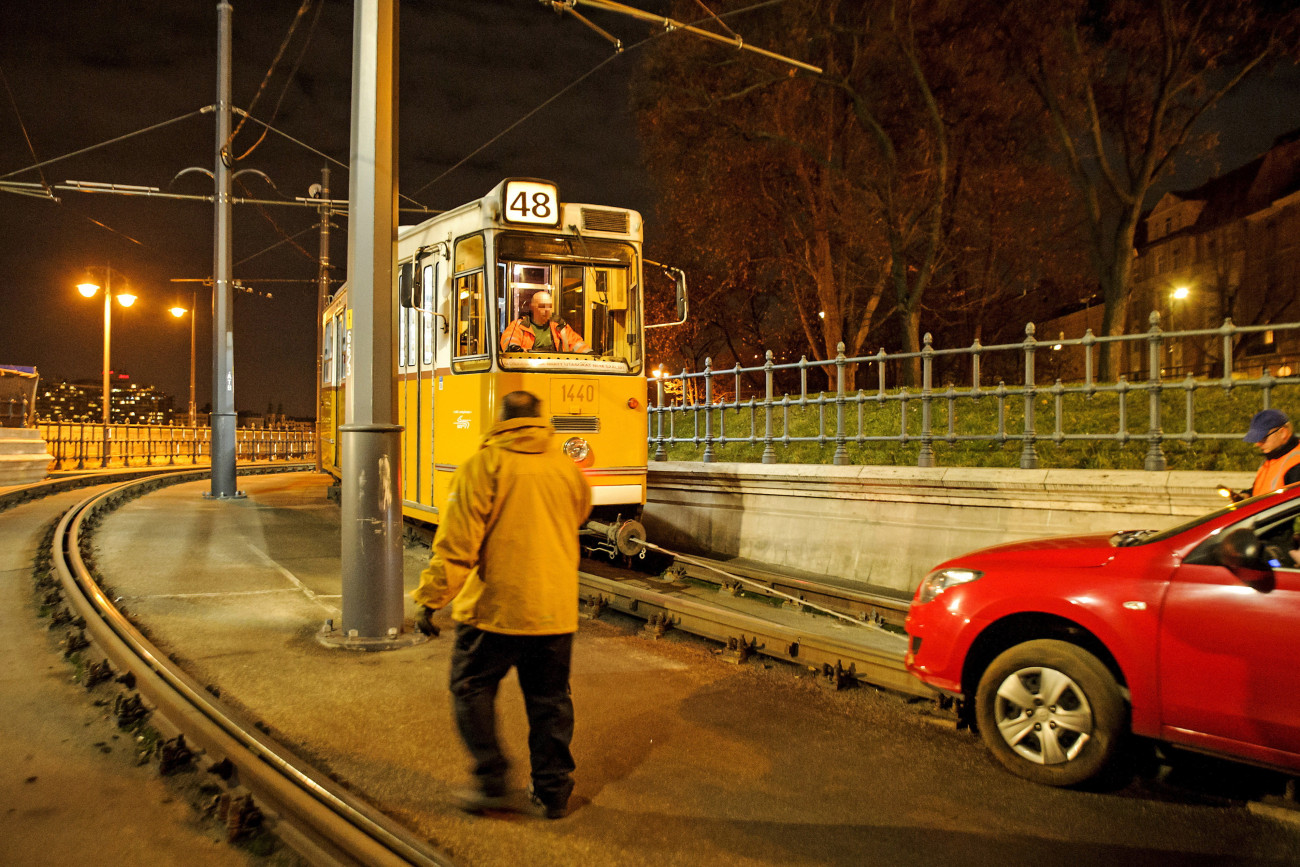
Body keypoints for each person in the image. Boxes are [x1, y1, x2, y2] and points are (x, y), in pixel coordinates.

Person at [412, 390, 592, 819]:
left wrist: (430, 598)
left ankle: (493, 780)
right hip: (553, 612)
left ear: (501, 420)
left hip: (494, 611)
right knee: (550, 702)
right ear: (539, 421)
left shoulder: (483, 465)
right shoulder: (565, 468)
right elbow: (580, 512)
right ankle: (552, 793)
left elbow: (457, 545)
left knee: (471, 688)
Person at [499, 290, 591, 354]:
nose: (547, 310)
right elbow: (509, 341)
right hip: (528, 372)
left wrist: (590, 354)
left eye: (549, 306)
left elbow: (576, 343)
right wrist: (513, 349)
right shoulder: (519, 326)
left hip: (555, 371)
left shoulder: (560, 327)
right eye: (542, 306)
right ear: (532, 307)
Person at [1244, 408, 1300, 497]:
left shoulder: (1296, 465)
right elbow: (1263, 491)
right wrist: (1247, 495)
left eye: (1263, 438)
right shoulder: (1273, 457)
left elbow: (1292, 506)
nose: (1257, 444)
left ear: (1283, 433)